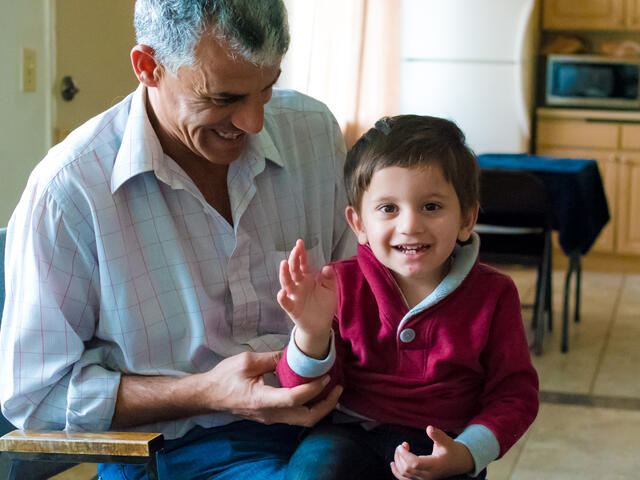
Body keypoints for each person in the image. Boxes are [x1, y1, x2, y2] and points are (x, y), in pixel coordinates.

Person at [0, 1, 355, 478]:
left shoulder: (312, 132)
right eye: (224, 99)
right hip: (179, 448)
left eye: (266, 90)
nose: (253, 123)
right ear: (149, 67)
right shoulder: (69, 191)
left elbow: (368, 294)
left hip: (339, 423)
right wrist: (203, 391)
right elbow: (36, 396)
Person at [276, 115, 539, 480]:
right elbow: (299, 390)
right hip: (346, 436)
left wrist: (465, 454)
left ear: (466, 219)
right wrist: (311, 333)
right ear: (358, 224)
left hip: (446, 446)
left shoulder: (495, 295)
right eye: (388, 208)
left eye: (431, 206)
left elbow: (515, 395)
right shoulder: (337, 285)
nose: (410, 225)